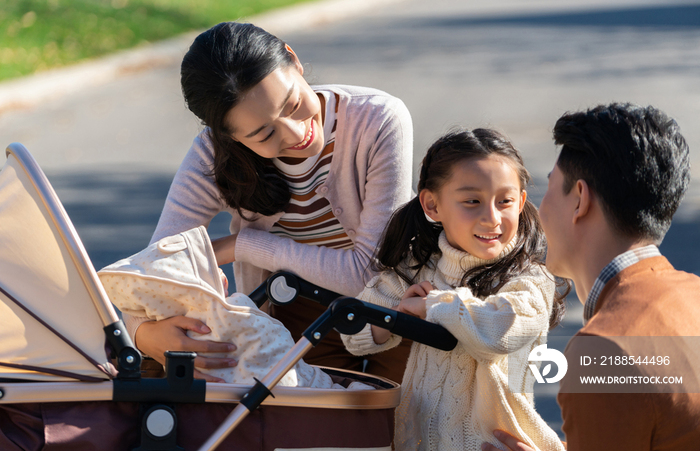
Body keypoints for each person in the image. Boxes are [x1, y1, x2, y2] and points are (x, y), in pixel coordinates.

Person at [123, 22, 414, 383]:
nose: (296, 133)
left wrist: (245, 245)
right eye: (264, 134)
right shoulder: (211, 156)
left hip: (401, 307)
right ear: (228, 136)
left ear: (293, 59)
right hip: (297, 318)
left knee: (405, 429)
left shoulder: (378, 118)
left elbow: (369, 274)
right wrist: (143, 334)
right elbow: (146, 273)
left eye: (293, 103)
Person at [483, 103, 700, 451]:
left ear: (580, 199)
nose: (535, 210)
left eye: (550, 187)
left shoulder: (602, 350)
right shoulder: (693, 294)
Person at [341, 128, 567, 451]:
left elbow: (500, 332)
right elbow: (354, 332)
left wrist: (436, 305)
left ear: (520, 203)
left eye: (505, 201)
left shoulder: (530, 279)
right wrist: (395, 315)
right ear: (432, 205)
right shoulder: (419, 267)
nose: (492, 219)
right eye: (472, 201)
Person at [98, 226, 371, 390]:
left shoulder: (186, 335)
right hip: (291, 387)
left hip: (229, 412)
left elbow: (150, 273)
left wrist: (241, 243)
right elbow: (278, 349)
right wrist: (143, 334)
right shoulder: (238, 310)